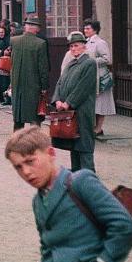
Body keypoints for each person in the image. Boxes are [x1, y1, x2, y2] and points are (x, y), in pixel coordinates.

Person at [4, 127, 132, 262]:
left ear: (51, 153)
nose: (26, 172)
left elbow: (123, 224)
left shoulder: (80, 181)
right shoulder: (38, 200)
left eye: (30, 161)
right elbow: (46, 239)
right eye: (18, 167)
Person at [52, 31, 98, 172]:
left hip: (82, 110)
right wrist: (57, 100)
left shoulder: (89, 63)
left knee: (84, 141)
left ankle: (88, 173)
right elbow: (60, 83)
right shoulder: (71, 63)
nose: (73, 49)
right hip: (69, 110)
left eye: (76, 45)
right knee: (73, 140)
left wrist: (68, 103)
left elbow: (83, 88)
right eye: (71, 46)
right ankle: (76, 172)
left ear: (84, 46)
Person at [10, 15, 49, 130]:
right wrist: (45, 86)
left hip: (17, 84)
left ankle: (17, 142)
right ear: (35, 28)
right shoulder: (40, 43)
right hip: (34, 85)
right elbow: (43, 68)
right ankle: (35, 142)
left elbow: (12, 63)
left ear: (26, 27)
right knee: (35, 117)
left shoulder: (14, 41)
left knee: (18, 117)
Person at [80, 20, 116, 136]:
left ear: (95, 30)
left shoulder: (100, 42)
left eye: (88, 28)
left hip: (100, 76)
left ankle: (98, 128)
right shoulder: (86, 42)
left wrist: (92, 61)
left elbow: (107, 59)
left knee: (101, 102)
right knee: (94, 103)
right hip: (90, 75)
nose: (85, 30)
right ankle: (93, 126)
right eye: (85, 28)